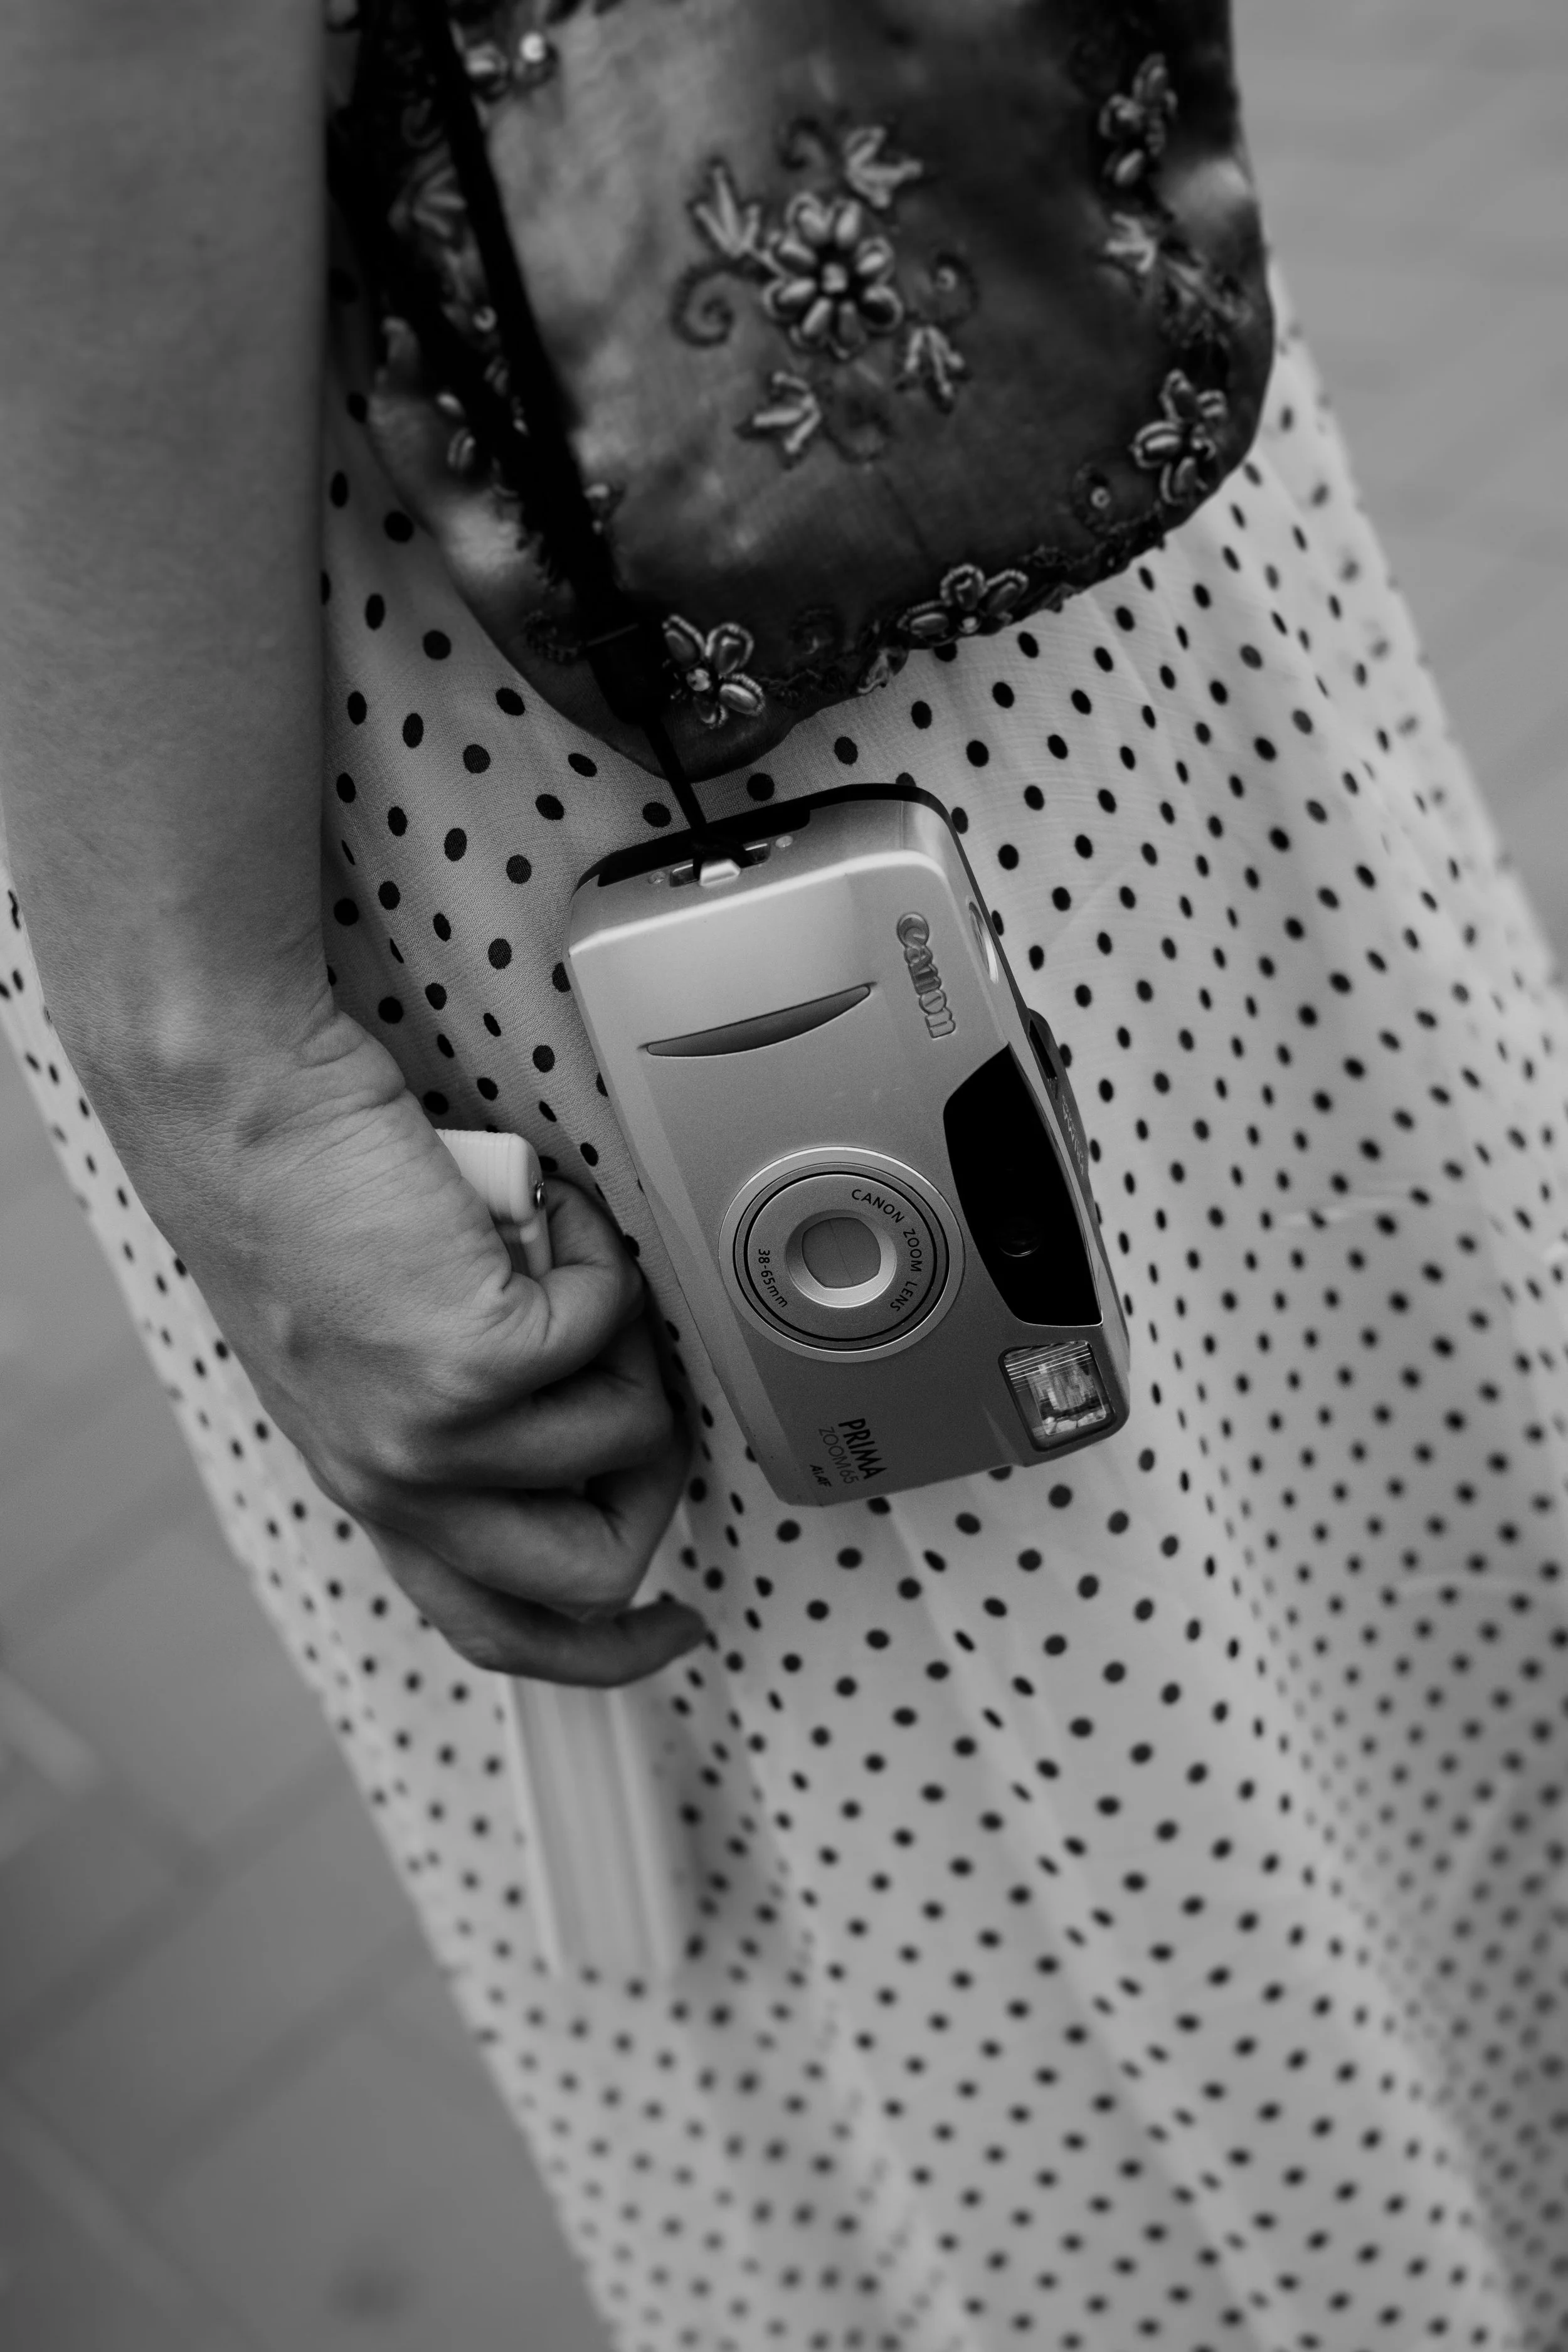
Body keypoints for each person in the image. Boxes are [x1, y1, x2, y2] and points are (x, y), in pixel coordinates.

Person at [4, 6, 1566, 2347]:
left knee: (1021, 1904)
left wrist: (205, 1043)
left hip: (487, 589)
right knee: (1361, 1535)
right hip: (990, 327)